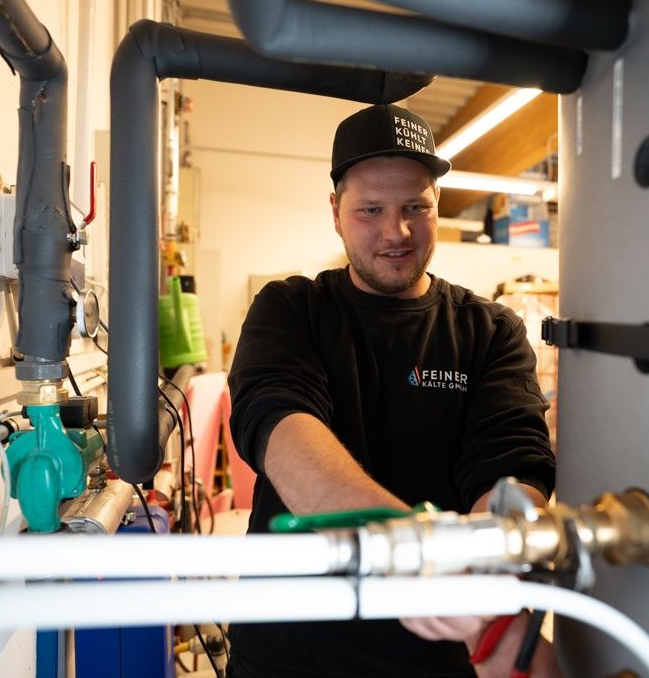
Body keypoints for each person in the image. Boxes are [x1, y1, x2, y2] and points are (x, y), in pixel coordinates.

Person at [226, 104, 559, 677]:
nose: (395, 232)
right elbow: (282, 429)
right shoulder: (291, 309)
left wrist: (494, 555)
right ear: (335, 212)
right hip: (292, 650)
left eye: (415, 208)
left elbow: (511, 470)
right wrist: (418, 553)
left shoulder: (489, 330)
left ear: (438, 205)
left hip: (439, 649)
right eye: (370, 210)